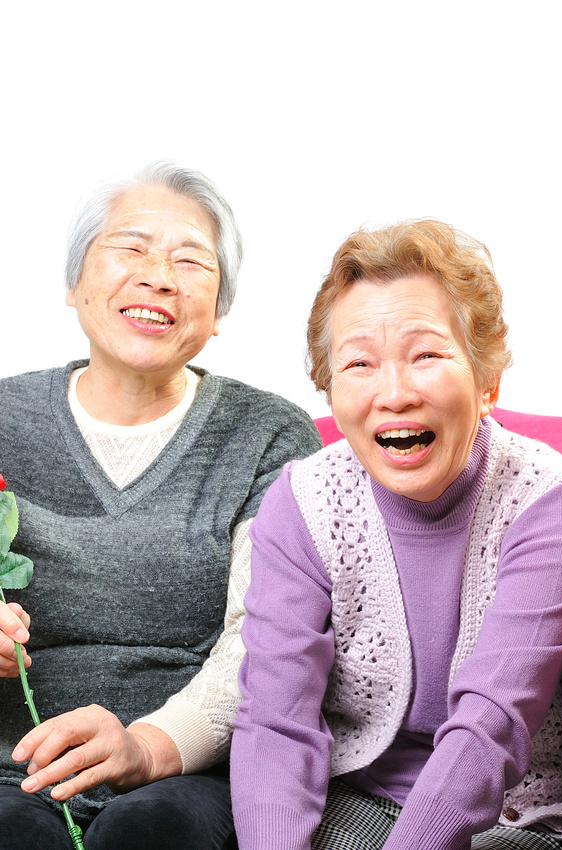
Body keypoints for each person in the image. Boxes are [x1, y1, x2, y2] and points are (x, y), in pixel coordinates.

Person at [0, 162, 322, 849]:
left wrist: (146, 746)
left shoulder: (268, 436)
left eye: (190, 261)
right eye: (131, 247)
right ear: (73, 283)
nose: (159, 277)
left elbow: (264, 641)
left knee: (148, 833)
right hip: (10, 770)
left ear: (218, 311)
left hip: (186, 771)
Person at [230, 219, 562, 850]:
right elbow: (276, 721)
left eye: (426, 355)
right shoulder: (301, 503)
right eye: (359, 363)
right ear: (331, 392)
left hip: (520, 813)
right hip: (363, 796)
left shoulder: (547, 502)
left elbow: (491, 723)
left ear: (487, 383)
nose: (394, 394)